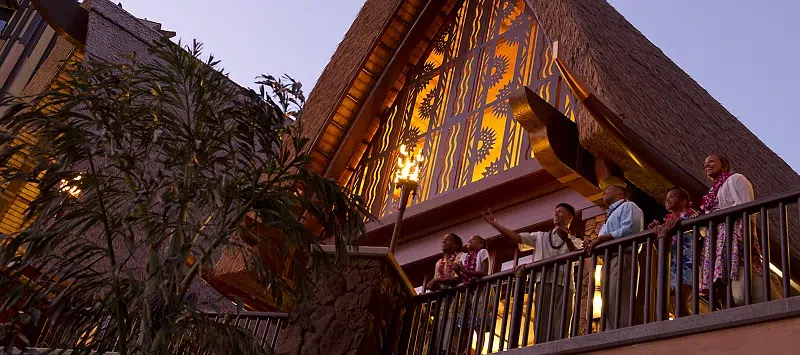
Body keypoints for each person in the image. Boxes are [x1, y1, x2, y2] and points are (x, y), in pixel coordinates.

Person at [482, 203, 581, 343]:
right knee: (542, 322)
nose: (556, 214)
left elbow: (578, 256)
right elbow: (517, 238)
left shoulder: (574, 240)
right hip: (544, 281)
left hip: (566, 285)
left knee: (562, 323)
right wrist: (495, 224)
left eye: (560, 212)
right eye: (555, 211)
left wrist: (567, 240)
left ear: (569, 217)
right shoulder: (540, 237)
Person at [700, 154, 767, 307]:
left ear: (724, 165)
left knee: (739, 283)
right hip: (716, 244)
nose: (707, 165)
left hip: (735, 238)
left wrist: (749, 239)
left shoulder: (736, 179)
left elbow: (749, 211)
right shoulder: (712, 192)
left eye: (711, 161)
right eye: (705, 164)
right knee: (721, 286)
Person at [585, 177, 643, 330]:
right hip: (609, 261)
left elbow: (630, 228)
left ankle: (623, 334)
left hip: (622, 256)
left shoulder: (629, 206)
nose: (605, 191)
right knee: (609, 300)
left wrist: (603, 238)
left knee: (620, 299)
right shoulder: (610, 215)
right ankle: (612, 333)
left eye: (609, 188)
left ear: (619, 192)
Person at [649, 187, 699, 317]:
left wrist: (683, 221)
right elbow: (661, 249)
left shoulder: (692, 216)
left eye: (672, 196)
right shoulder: (667, 224)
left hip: (687, 265)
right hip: (672, 268)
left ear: (683, 202)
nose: (667, 199)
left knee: (680, 304)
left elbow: (702, 231)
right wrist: (656, 234)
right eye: (666, 197)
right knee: (675, 307)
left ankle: (690, 331)